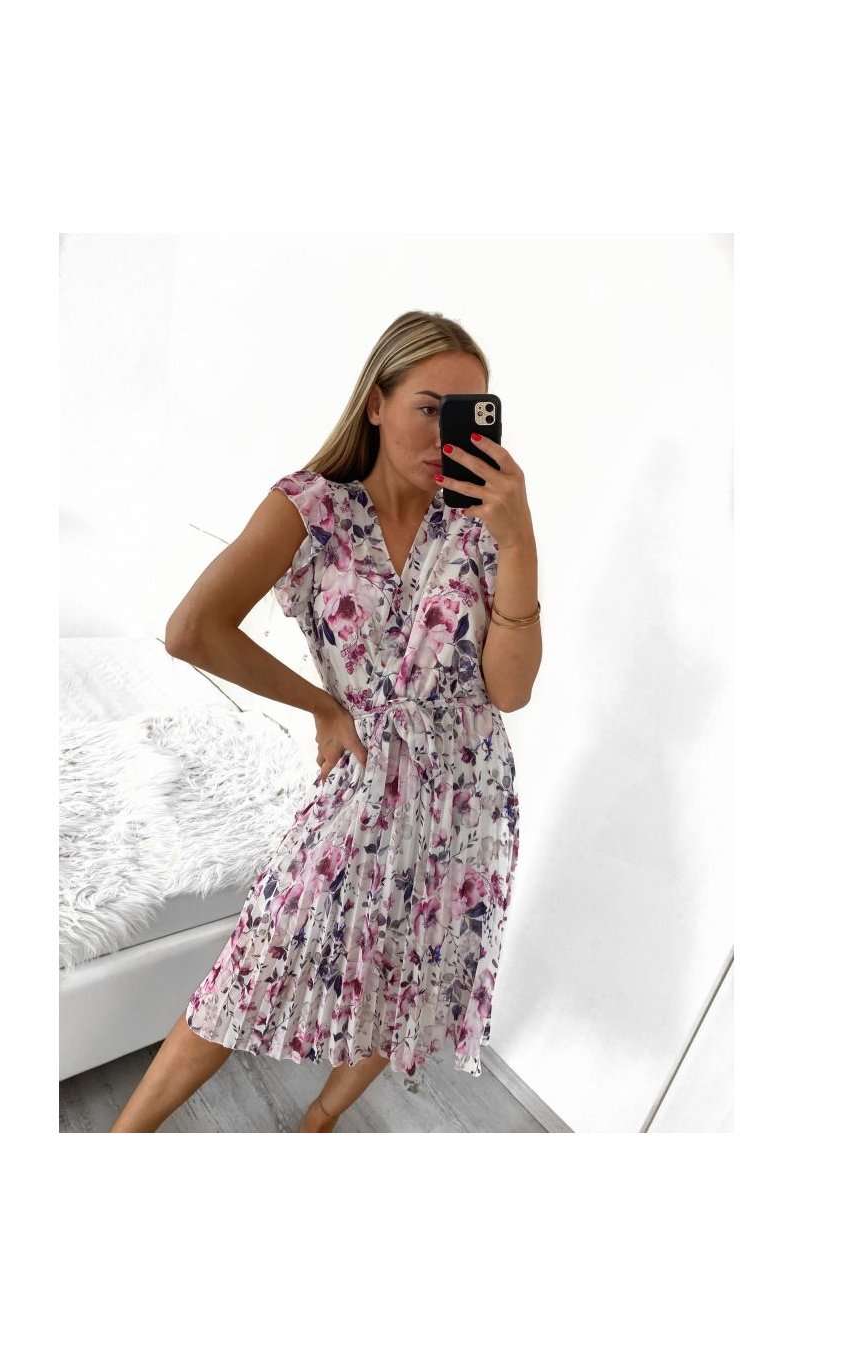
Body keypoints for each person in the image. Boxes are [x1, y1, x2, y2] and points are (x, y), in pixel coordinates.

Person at [109, 309, 542, 1133]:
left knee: (409, 971)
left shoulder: (485, 523)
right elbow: (191, 628)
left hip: (469, 793)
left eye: (465, 412)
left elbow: (510, 691)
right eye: (429, 406)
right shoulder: (310, 507)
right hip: (366, 776)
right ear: (376, 403)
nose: (446, 433)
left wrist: (519, 544)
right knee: (254, 961)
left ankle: (319, 1121)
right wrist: (323, 703)